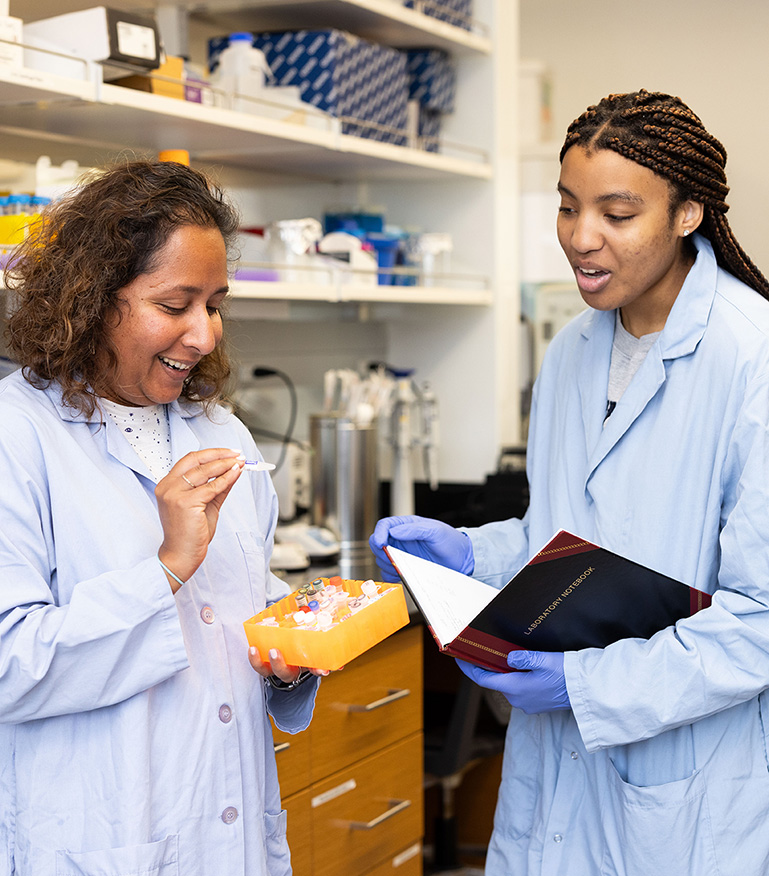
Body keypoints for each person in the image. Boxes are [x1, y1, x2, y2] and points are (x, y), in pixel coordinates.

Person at [370, 89, 769, 876]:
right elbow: (566, 534)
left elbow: (759, 620)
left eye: (616, 214)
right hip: (554, 769)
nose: (580, 239)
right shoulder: (575, 350)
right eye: (565, 208)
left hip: (682, 781)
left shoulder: (751, 358)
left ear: (687, 213)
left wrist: (587, 682)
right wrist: (468, 553)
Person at [0, 159, 323, 875]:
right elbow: (10, 666)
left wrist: (290, 654)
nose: (203, 335)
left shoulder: (221, 433)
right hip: (99, 835)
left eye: (214, 305)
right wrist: (169, 566)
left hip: (228, 828)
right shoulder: (16, 436)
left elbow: (238, 610)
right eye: (175, 305)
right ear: (92, 298)